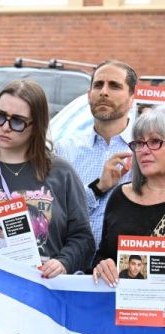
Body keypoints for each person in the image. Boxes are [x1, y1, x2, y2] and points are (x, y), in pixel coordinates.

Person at [0, 79, 95, 279]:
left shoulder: (61, 173)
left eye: (17, 121)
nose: (5, 127)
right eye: (0, 116)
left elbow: (83, 239)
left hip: (42, 291)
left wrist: (63, 262)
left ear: (36, 126)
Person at [55, 60, 137, 248]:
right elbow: (56, 212)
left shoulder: (146, 151)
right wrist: (97, 188)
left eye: (114, 86)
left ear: (132, 97)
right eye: (98, 85)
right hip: (68, 267)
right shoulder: (65, 150)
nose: (104, 92)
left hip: (122, 269)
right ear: (89, 95)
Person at [93, 108, 165, 287]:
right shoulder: (120, 196)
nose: (144, 150)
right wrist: (102, 265)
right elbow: (102, 254)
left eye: (155, 141)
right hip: (121, 310)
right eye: (139, 143)